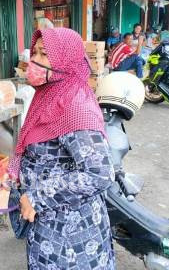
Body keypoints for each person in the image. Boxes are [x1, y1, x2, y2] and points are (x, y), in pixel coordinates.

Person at [9, 28, 115, 269]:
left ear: (65, 60)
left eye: (44, 54)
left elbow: (99, 173)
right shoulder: (50, 94)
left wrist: (36, 197)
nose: (34, 61)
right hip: (47, 225)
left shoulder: (75, 107)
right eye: (34, 52)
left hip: (70, 239)